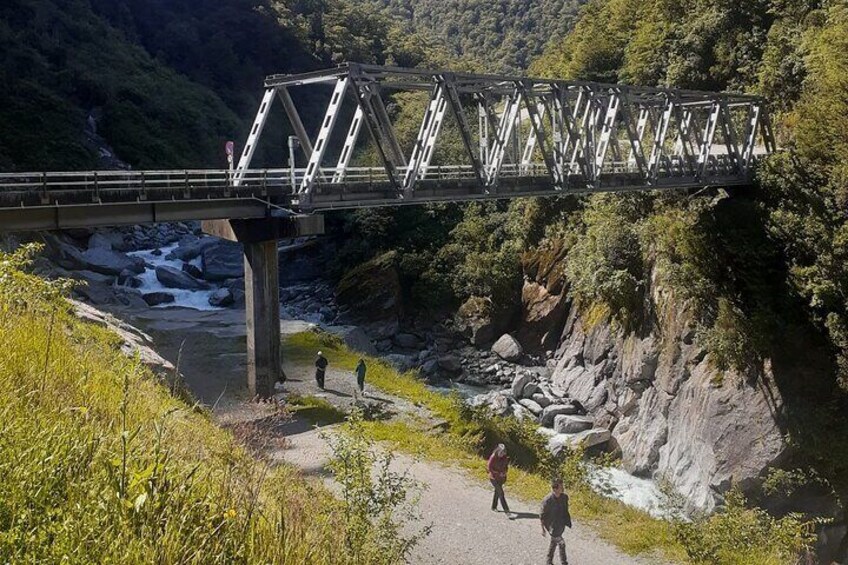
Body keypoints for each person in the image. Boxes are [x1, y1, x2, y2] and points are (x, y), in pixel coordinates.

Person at [540, 477, 572, 565]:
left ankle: (549, 561)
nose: (563, 488)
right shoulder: (547, 500)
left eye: (562, 486)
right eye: (561, 487)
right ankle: (564, 562)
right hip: (552, 526)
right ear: (554, 488)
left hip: (560, 525)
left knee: (553, 542)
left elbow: (565, 510)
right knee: (562, 544)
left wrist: (567, 521)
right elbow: (542, 515)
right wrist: (543, 529)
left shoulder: (565, 497)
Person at [487, 444, 513, 518]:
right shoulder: (493, 457)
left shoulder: (505, 458)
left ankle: (493, 506)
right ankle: (507, 511)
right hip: (494, 478)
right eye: (501, 453)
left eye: (503, 453)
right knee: (501, 494)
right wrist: (498, 473)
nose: (502, 454)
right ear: (497, 451)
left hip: (501, 478)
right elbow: (489, 468)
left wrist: (504, 472)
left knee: (497, 492)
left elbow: (506, 467)